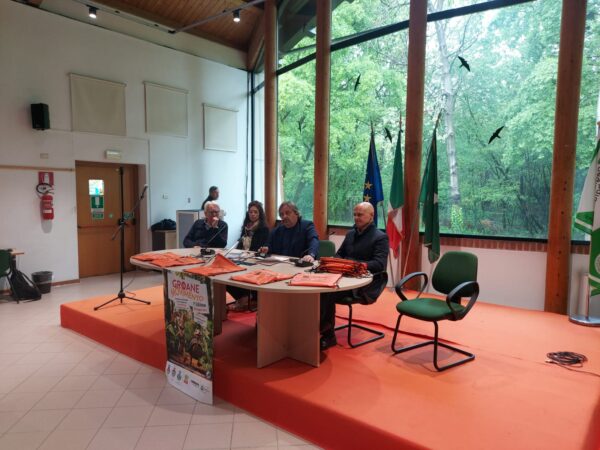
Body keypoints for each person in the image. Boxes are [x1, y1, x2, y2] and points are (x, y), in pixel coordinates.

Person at [319, 202, 389, 350]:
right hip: (344, 277)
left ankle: (328, 336)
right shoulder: (351, 234)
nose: (356, 218)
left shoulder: (380, 237)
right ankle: (313, 328)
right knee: (317, 287)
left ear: (371, 216)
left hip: (365, 284)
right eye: (355, 214)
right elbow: (340, 254)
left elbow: (379, 264)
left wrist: (354, 265)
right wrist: (335, 261)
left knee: (326, 291)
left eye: (360, 215)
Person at [227, 201, 270, 311]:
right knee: (227, 273)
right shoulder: (246, 227)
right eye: (251, 212)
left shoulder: (263, 229)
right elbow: (240, 244)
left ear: (260, 214)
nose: (253, 214)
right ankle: (243, 296)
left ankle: (245, 297)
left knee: (238, 272)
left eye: (255, 212)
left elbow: (262, 247)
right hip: (242, 258)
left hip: (255, 260)